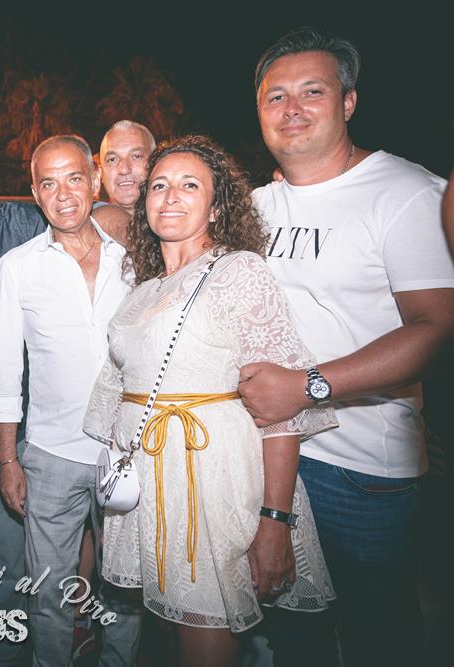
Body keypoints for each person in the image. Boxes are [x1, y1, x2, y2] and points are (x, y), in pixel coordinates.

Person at [239, 28, 454, 666]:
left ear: (349, 101)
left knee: (379, 641)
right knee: (292, 639)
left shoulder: (407, 192)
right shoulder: (253, 206)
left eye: (313, 91)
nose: (292, 108)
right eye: (275, 96)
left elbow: (434, 328)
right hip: (266, 462)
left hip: (362, 473)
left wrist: (306, 386)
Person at [84, 135, 337, 666]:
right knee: (174, 638)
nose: (170, 196)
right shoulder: (145, 288)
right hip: (152, 487)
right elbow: (119, 398)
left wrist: (275, 521)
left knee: (207, 642)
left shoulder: (239, 271)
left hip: (213, 485)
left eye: (189, 185)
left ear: (217, 206)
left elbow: (281, 411)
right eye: (159, 186)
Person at [0, 135, 131, 667]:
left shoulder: (135, 257)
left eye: (74, 178)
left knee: (126, 592)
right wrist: (8, 460)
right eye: (49, 183)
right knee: (48, 593)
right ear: (34, 193)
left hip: (129, 452)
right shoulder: (18, 265)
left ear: (95, 180)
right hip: (50, 455)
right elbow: (6, 370)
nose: (63, 194)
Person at [94, 121, 157, 244]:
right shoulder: (84, 229)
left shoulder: (178, 226)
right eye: (112, 159)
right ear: (101, 174)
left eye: (136, 156)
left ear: (155, 164)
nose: (123, 169)